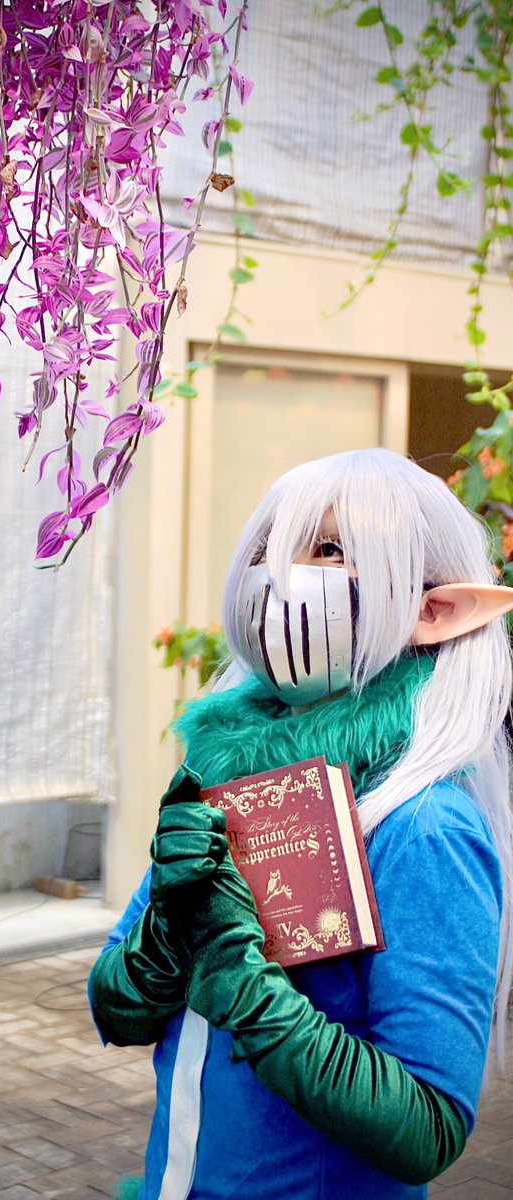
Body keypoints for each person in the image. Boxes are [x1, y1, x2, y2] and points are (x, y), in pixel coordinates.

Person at [89, 447, 513, 1200]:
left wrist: (248, 989)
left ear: (435, 610)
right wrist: (169, 928)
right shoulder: (223, 780)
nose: (280, 576)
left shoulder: (423, 826)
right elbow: (117, 1009)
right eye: (267, 548)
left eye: (331, 550)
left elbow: (427, 1128)